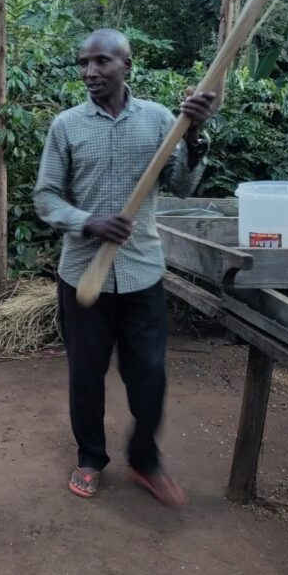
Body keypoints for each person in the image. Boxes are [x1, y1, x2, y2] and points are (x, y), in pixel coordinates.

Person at [34, 28, 215, 506]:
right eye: (83, 63)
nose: (90, 72)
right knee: (86, 375)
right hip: (83, 277)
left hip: (142, 274)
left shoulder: (160, 120)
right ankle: (91, 457)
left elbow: (182, 186)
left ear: (126, 64)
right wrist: (88, 222)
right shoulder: (67, 126)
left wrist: (193, 134)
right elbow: (46, 198)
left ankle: (145, 460)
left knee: (149, 375)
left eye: (101, 62)